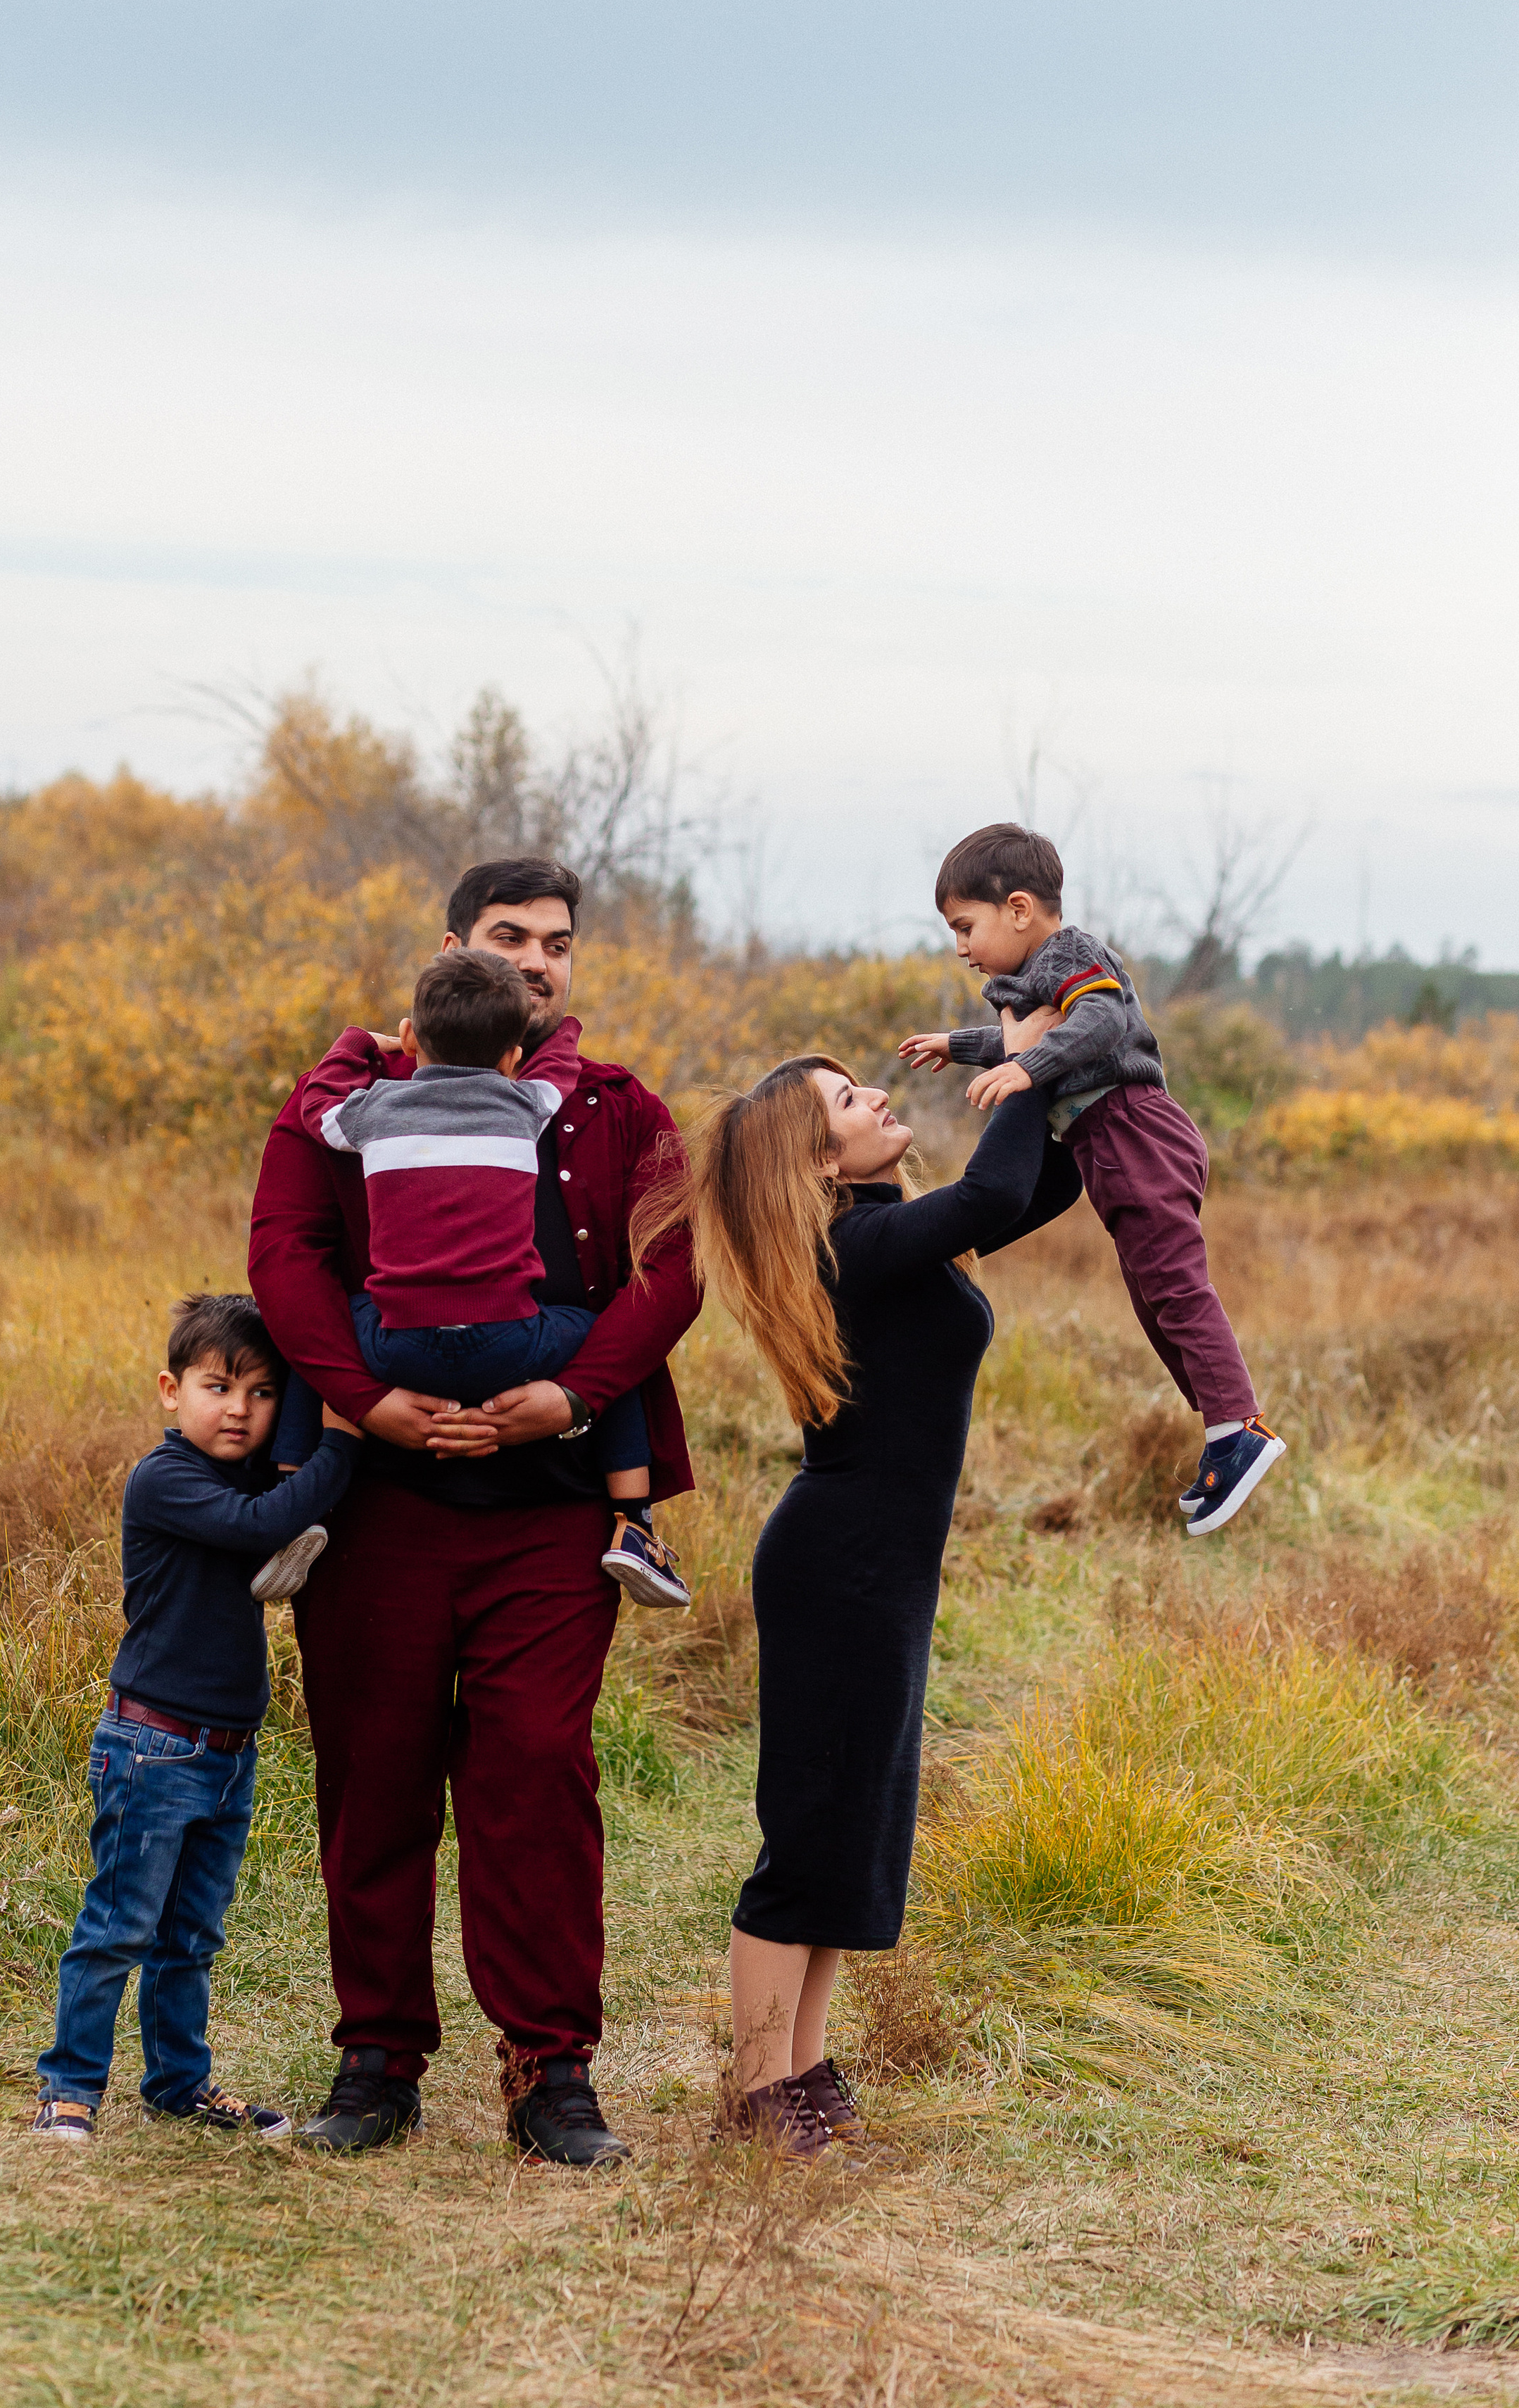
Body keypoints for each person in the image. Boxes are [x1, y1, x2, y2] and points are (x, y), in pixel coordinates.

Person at [247, 856, 701, 2166]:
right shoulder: (349, 1106)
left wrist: (572, 1393)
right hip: (375, 1503)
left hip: (553, 1513)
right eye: (511, 938)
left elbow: (669, 1274)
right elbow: (284, 1256)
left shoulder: (622, 1112)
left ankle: (549, 2069)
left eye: (559, 942)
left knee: (535, 1780)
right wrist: (362, 1397)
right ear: (453, 946)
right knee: (372, 1779)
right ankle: (376, 2060)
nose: (539, 961)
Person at [645, 1026, 1078, 2156]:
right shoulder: (850, 1246)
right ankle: (752, 2097)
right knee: (807, 1836)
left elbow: (1035, 1182)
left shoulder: (891, 1236)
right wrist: (1028, 1069)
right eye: (847, 1097)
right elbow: (990, 1191)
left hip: (882, 1570)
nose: (879, 1095)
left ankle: (804, 2069)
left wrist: (1089, 1076)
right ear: (816, 1159)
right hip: (838, 1569)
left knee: (851, 1835)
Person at [32, 1294, 359, 2143]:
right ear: (171, 1391)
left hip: (227, 1753)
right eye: (220, 1388)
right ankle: (69, 2089)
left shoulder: (246, 1469)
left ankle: (180, 2084)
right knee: (117, 1930)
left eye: (262, 1394)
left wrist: (305, 1439)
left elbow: (290, 1499)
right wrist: (348, 1433)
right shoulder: (167, 1479)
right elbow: (275, 1520)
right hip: (153, 1747)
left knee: (191, 1937)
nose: (240, 1410)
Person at [900, 821, 1284, 1537]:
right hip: (1113, 1146)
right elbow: (1046, 1039)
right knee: (1152, 1299)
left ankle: (1240, 1430)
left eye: (964, 927)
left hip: (1133, 1130)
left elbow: (1099, 1022)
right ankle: (1222, 1433)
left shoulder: (1069, 954)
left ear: (1018, 909)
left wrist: (1024, 1068)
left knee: (1175, 1287)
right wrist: (960, 1046)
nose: (959, 949)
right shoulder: (1040, 975)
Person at [272, 945, 684, 1608]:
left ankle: (292, 1503)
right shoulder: (524, 1106)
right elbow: (560, 1064)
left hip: (396, 1347)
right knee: (603, 1334)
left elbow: (318, 1104)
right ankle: (635, 1523)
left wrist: (355, 1041)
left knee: (309, 1335)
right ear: (514, 1058)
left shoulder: (374, 1110)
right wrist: (566, 1026)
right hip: (511, 1343)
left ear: (410, 1039)